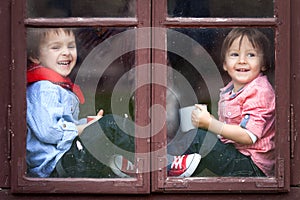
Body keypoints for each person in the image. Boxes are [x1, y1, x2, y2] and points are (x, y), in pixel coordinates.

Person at [26, 28, 201, 178]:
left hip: (66, 159)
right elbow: (48, 131)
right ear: (35, 56)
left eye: (71, 46)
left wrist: (86, 123)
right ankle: (165, 164)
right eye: (56, 47)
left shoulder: (56, 86)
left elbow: (61, 125)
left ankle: (136, 163)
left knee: (105, 127)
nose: (66, 52)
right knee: (109, 126)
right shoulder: (43, 88)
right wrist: (84, 129)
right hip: (55, 167)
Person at [172, 28, 275, 177]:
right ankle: (176, 165)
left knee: (199, 138)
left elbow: (248, 136)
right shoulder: (230, 90)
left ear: (263, 63)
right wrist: (210, 122)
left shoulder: (260, 91)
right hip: (238, 156)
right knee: (199, 140)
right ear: (225, 64)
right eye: (234, 54)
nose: (242, 60)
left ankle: (161, 164)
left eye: (251, 55)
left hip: (252, 167)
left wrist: (210, 124)